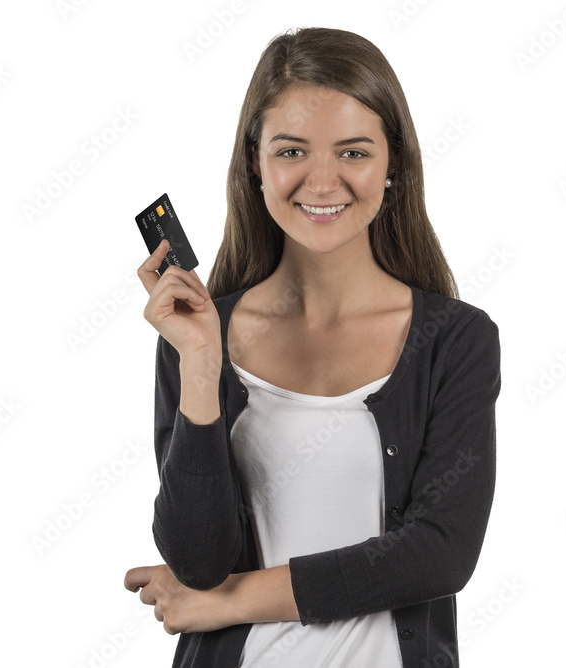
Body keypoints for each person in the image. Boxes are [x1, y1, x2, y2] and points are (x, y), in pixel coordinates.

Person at [123, 26, 501, 668]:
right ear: (255, 162)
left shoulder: (456, 340)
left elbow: (439, 553)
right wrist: (200, 364)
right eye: (291, 151)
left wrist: (231, 601)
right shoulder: (198, 334)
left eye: (353, 153)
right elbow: (197, 559)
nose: (321, 181)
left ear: (393, 166)